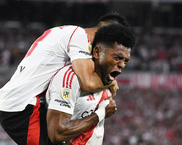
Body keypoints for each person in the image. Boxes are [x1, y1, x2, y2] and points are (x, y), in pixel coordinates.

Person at [0, 12, 130, 145]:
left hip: (17, 102)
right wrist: (110, 83)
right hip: (22, 107)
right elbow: (87, 82)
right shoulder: (79, 35)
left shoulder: (66, 32)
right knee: (59, 134)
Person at [46, 23, 135, 145]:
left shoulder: (107, 82)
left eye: (126, 61)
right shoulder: (70, 78)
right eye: (117, 58)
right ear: (97, 52)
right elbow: (57, 133)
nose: (122, 65)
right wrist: (100, 114)